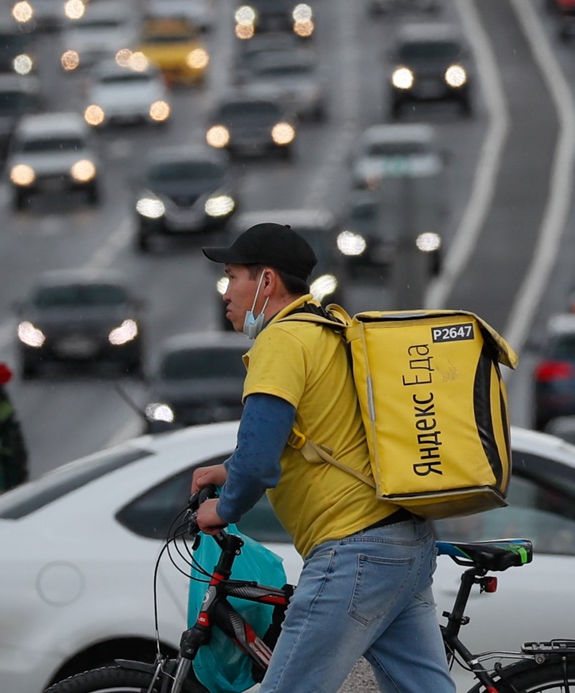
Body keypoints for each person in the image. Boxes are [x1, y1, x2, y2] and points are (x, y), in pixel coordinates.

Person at [190, 222, 454, 693]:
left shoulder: (281, 342)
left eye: (233, 276)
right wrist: (227, 469)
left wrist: (223, 506)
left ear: (265, 282)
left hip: (354, 551)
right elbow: (321, 436)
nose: (225, 292)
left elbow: (259, 463)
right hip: (403, 541)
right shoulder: (330, 331)